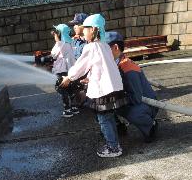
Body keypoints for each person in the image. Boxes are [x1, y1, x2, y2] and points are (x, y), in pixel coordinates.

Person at [60, 14, 127, 158]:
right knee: (108, 118)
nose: (83, 31)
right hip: (113, 88)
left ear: (94, 30)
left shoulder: (91, 47)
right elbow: (102, 67)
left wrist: (69, 78)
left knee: (103, 120)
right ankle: (115, 144)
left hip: (103, 90)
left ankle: (113, 147)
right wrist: (89, 78)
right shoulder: (104, 46)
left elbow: (80, 66)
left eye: (85, 29)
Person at [105, 31, 159, 143]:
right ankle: (119, 126)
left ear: (115, 47)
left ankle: (150, 126)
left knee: (133, 113)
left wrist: (113, 100)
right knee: (100, 106)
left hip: (146, 104)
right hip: (131, 98)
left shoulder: (128, 69)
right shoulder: (113, 63)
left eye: (104, 49)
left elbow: (136, 98)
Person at [51, 24, 77, 118]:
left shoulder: (60, 44)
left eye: (55, 33)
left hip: (61, 71)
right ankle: (74, 107)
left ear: (59, 34)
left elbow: (53, 55)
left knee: (62, 89)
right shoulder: (70, 42)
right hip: (70, 70)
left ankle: (67, 110)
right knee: (71, 89)